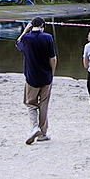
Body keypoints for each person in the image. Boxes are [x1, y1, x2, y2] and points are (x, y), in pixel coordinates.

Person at [16, 16, 57, 145]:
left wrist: (25, 31)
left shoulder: (26, 39)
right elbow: (53, 58)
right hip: (46, 76)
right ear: (43, 26)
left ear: (31, 25)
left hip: (31, 77)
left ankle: (35, 127)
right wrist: (52, 73)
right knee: (44, 104)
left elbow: (18, 43)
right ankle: (43, 133)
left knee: (30, 103)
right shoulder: (48, 38)